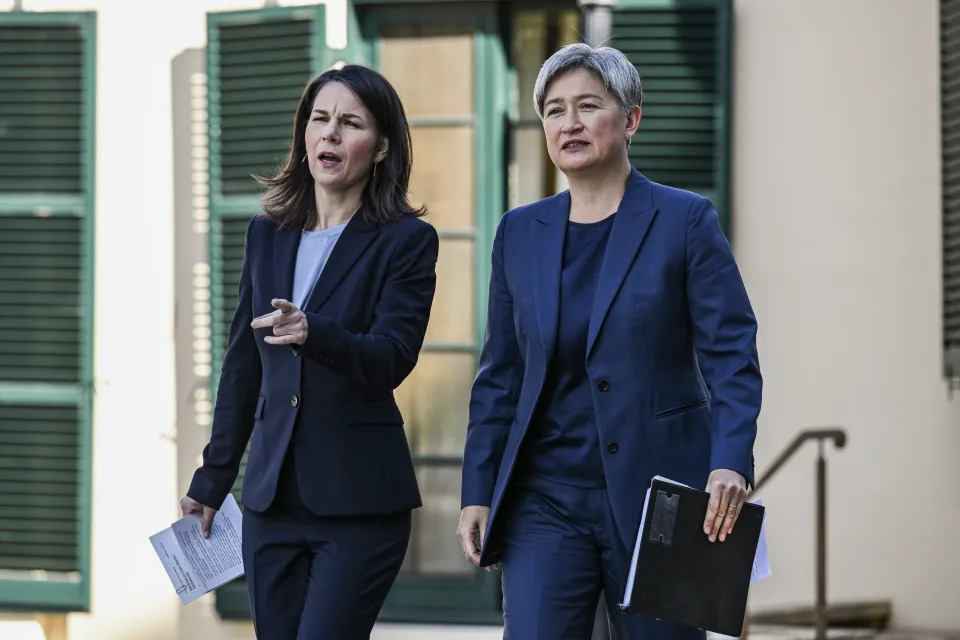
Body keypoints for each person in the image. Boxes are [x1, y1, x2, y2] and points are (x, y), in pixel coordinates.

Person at [457, 43, 762, 639]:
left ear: (631, 119)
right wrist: (478, 488)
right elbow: (501, 373)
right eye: (553, 109)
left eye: (588, 105)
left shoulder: (685, 220)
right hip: (544, 500)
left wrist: (730, 458)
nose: (568, 123)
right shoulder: (519, 233)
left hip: (664, 497)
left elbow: (732, 353)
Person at [181, 64, 438, 639]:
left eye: (350, 124)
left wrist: (314, 332)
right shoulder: (266, 233)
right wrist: (212, 477)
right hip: (270, 504)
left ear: (381, 147)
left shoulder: (406, 241)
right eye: (319, 120)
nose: (330, 134)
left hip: (359, 504)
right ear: (303, 136)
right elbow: (242, 367)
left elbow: (392, 357)